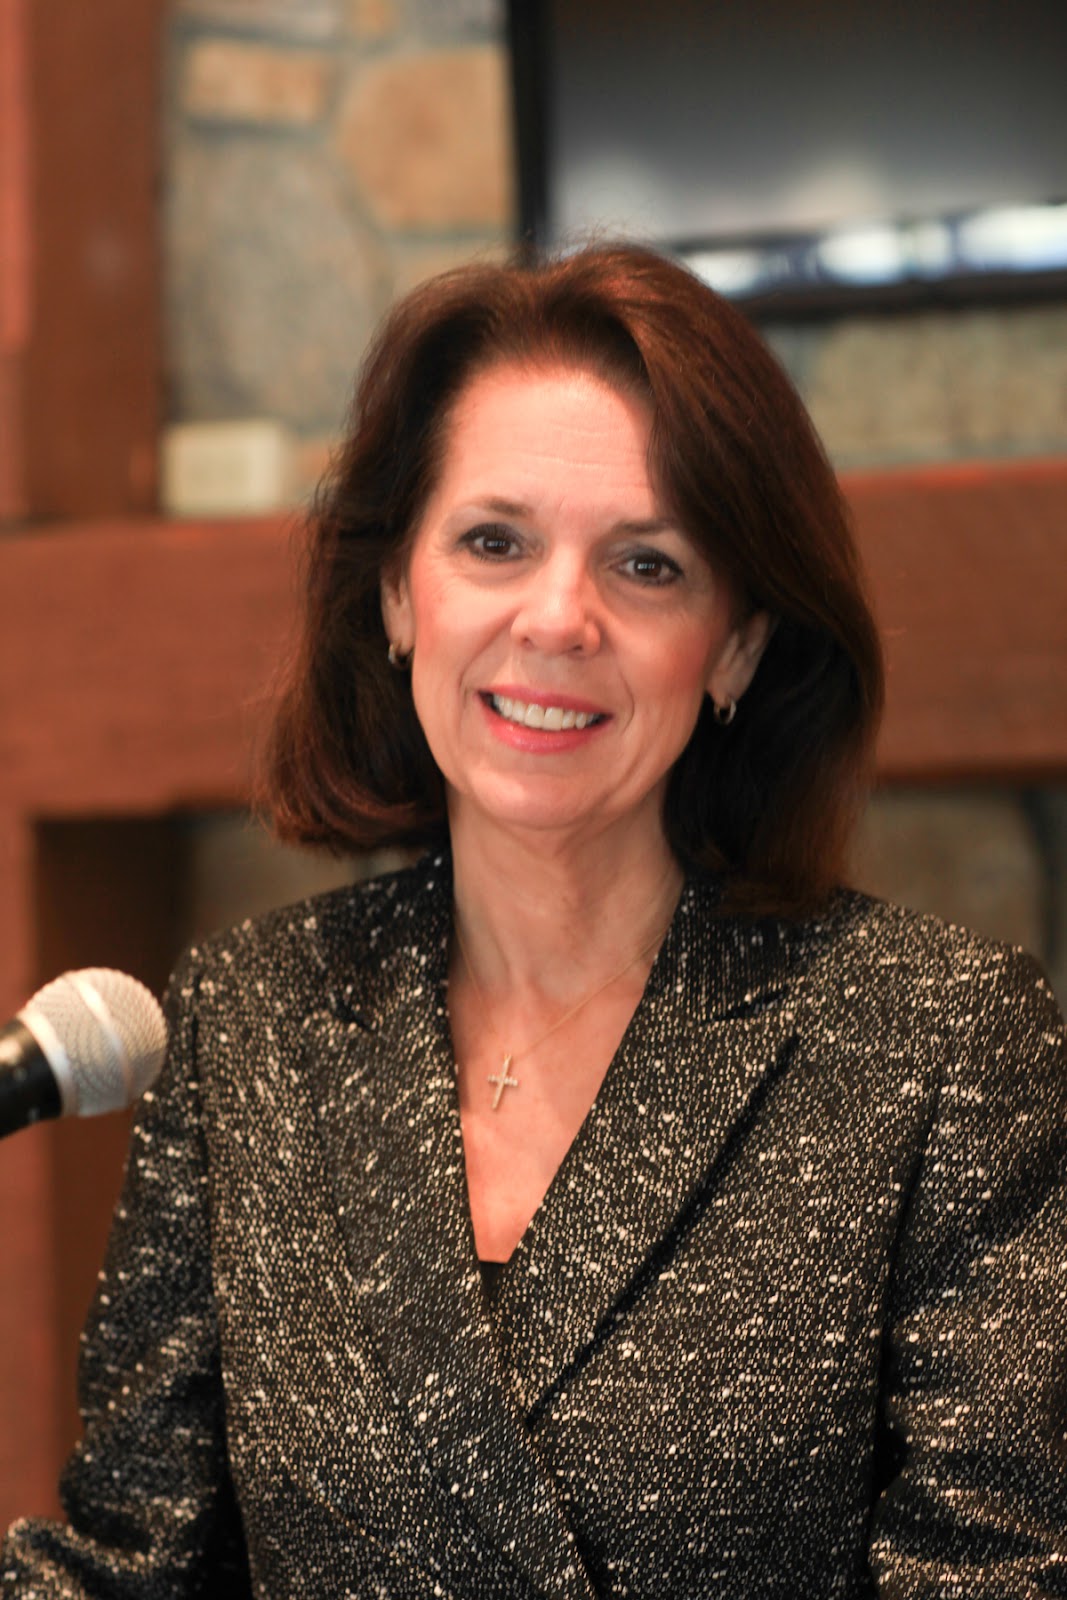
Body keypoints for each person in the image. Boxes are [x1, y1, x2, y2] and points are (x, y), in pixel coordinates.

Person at [3, 244, 1065, 1599]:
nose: (558, 619)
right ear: (399, 593)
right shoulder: (248, 1020)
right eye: (493, 542)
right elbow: (130, 1565)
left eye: (647, 564)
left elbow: (995, 1573)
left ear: (737, 646)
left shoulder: (938, 1039)